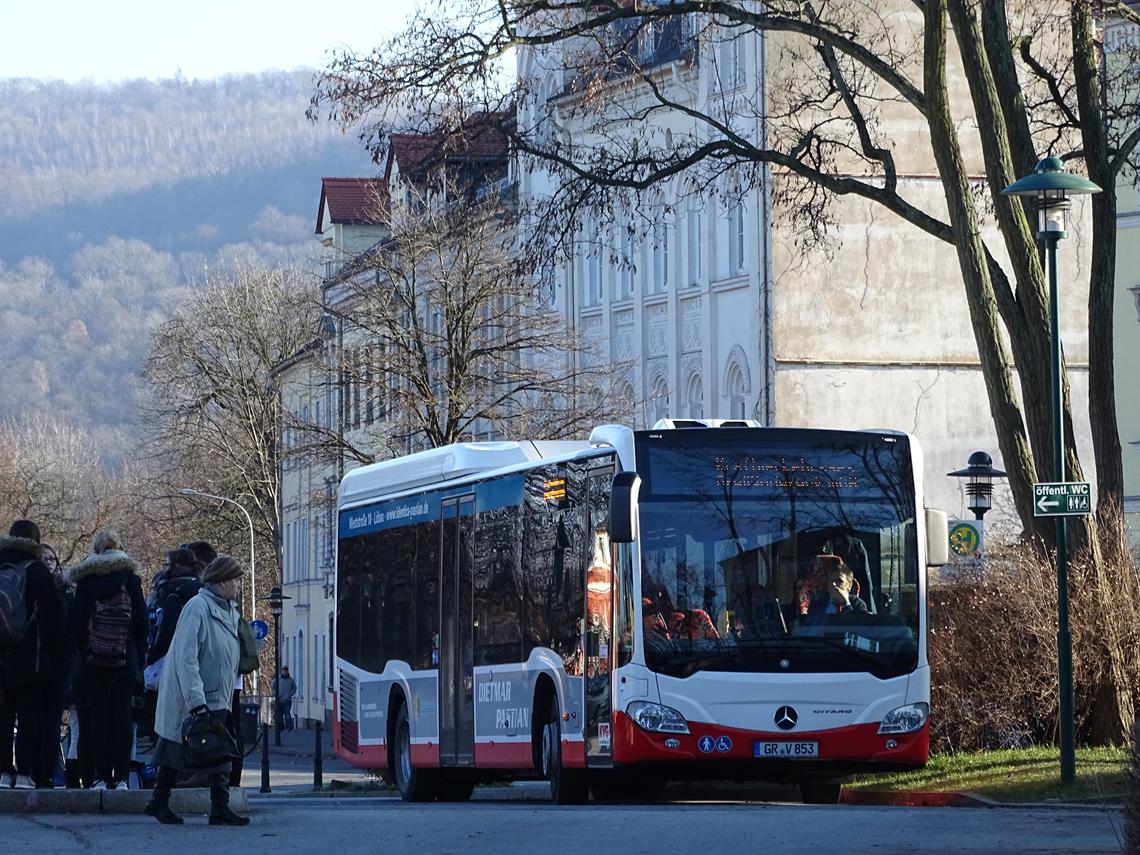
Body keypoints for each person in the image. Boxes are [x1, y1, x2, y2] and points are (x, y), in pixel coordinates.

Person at [146, 554, 249, 826]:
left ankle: (219, 807)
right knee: (174, 751)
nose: (239, 585)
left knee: (220, 752)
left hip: (218, 695)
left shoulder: (228, 611)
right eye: (235, 580)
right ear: (221, 581)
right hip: (193, 696)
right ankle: (159, 800)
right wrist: (195, 700)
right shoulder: (197, 608)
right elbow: (186, 658)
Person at [69, 529, 148, 791]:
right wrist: (139, 654)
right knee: (122, 716)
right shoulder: (130, 578)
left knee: (98, 717)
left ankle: (101, 777)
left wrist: (86, 649)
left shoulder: (86, 580)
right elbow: (142, 621)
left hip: (93, 660)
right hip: (125, 657)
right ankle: (122, 777)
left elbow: (76, 622)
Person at [0, 519, 62, 789]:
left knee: (3, 716)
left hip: (1, 656)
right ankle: (25, 774)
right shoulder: (36, 570)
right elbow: (54, 617)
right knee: (29, 717)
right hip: (30, 657)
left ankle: (2, 772)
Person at [802, 555, 868, 624]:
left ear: (849, 585)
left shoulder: (857, 604)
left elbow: (858, 628)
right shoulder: (817, 604)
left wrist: (846, 604)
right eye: (831, 580)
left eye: (839, 581)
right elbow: (813, 629)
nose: (833, 584)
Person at [275, 667, 297, 732]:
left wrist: (289, 694)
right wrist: (275, 693)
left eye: (285, 671)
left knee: (287, 713)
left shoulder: (291, 680)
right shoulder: (277, 679)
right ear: (281, 671)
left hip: (287, 700)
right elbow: (273, 686)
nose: (284, 672)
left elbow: (294, 688)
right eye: (283, 671)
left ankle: (289, 726)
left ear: (287, 671)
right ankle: (281, 727)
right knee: (280, 714)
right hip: (279, 699)